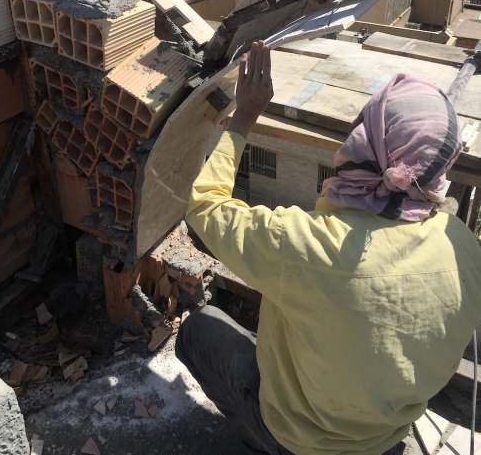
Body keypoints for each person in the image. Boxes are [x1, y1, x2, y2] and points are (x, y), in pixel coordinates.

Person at [175, 40, 481, 455]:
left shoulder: (304, 245)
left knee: (197, 330)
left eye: (361, 125)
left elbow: (204, 206)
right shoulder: (463, 247)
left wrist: (244, 115)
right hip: (383, 436)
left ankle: (262, 440)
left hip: (300, 438)